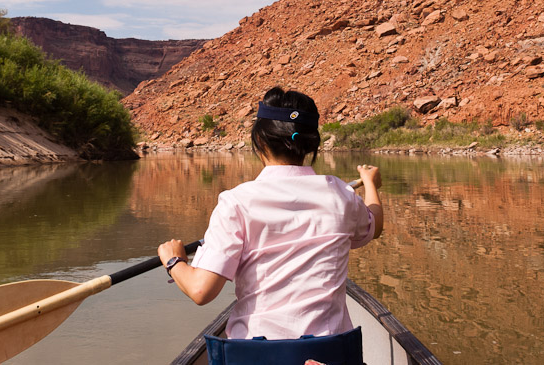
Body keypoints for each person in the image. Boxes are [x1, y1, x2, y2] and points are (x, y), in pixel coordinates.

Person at [158, 86, 383, 344]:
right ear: (310, 145)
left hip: (256, 355)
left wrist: (174, 261)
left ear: (260, 141)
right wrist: (371, 184)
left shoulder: (235, 203)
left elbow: (200, 290)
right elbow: (374, 224)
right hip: (329, 354)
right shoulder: (341, 195)